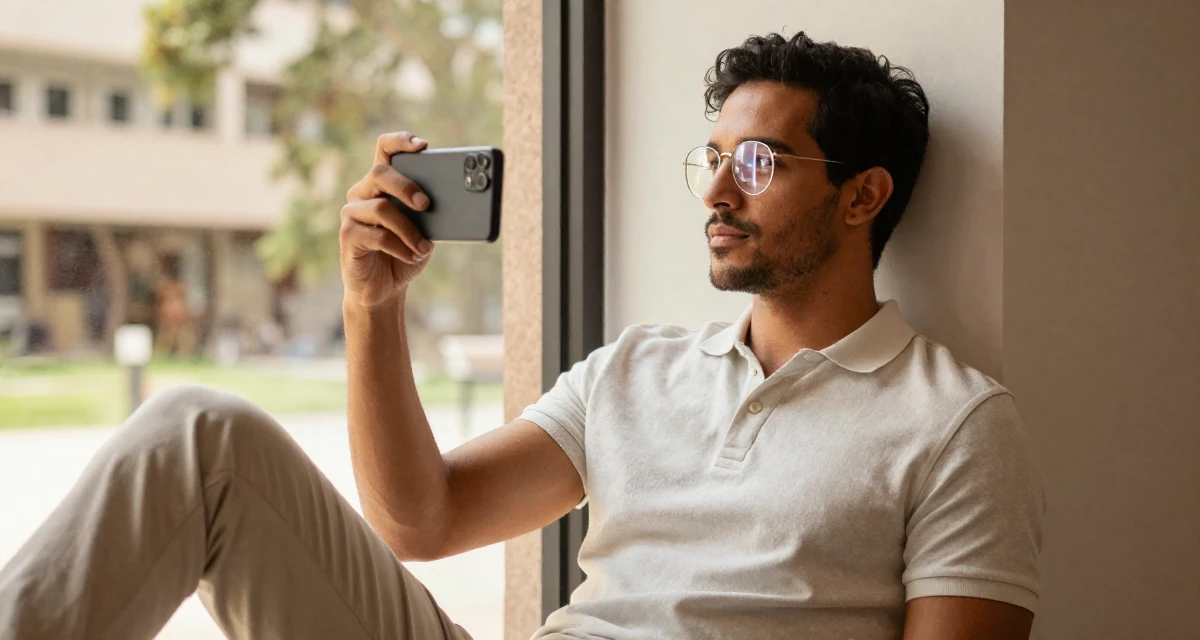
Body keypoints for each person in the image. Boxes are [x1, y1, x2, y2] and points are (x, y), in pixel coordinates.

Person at [0, 32, 1045, 640]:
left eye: (760, 163)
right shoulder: (640, 367)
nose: (718, 191)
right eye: (711, 158)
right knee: (199, 434)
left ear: (863, 194)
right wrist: (374, 307)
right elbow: (425, 518)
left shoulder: (952, 422)